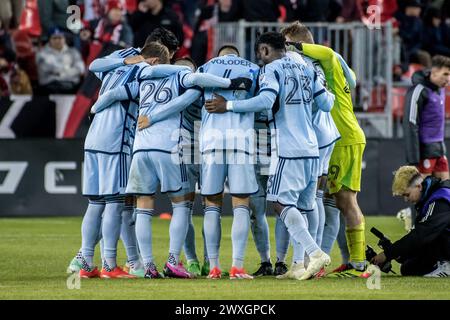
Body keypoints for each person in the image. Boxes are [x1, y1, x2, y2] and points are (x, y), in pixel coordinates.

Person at [205, 32, 335, 280]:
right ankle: (298, 265)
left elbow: (265, 100)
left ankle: (314, 252)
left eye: (259, 53)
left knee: (279, 202)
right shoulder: (304, 66)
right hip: (312, 147)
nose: (259, 58)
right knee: (303, 206)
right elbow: (327, 103)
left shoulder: (271, 70)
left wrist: (228, 106)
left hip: (288, 148)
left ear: (265, 50)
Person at [76, 42, 180, 279]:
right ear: (154, 61)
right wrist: (185, 71)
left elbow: (95, 65)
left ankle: (85, 260)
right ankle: (109, 265)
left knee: (95, 203)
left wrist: (96, 107)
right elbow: (157, 75)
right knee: (115, 202)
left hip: (92, 139)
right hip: (116, 141)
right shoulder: (145, 71)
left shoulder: (114, 69)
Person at [300, 38, 368, 278]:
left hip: (343, 138)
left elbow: (327, 53)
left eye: (289, 44)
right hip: (344, 135)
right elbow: (353, 78)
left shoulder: (327, 58)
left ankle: (358, 263)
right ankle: (346, 261)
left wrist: (293, 47)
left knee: (345, 201)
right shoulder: (336, 64)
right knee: (334, 202)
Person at [372, 166, 450, 277]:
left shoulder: (440, 198)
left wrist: (387, 254)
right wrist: (395, 254)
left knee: (428, 233)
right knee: (408, 268)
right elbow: (418, 243)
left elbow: (421, 235)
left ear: (418, 186)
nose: (406, 199)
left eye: (407, 194)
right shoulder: (427, 199)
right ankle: (442, 263)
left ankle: (446, 265)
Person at [404, 55, 450, 180]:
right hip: (424, 152)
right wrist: (413, 161)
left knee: (446, 192)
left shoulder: (441, 91)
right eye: (445, 74)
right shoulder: (418, 91)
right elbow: (410, 124)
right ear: (434, 72)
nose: (448, 79)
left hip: (439, 151)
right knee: (419, 193)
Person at [36, 27, 85, 94]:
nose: (57, 41)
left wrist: (59, 73)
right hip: (49, 86)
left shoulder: (73, 52)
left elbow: (80, 69)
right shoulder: (42, 53)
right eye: (54, 38)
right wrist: (68, 70)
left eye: (60, 38)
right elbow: (45, 69)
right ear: (49, 39)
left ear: (64, 39)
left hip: (71, 86)